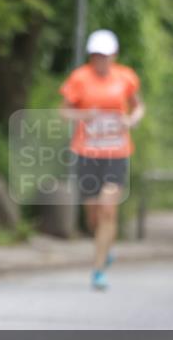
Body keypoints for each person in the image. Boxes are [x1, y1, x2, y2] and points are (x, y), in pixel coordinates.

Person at [60, 29, 145, 290]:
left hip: (116, 152)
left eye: (106, 56)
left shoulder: (126, 77)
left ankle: (97, 271)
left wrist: (132, 119)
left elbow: (138, 105)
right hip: (87, 152)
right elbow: (64, 112)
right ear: (91, 56)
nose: (101, 60)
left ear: (114, 56)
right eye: (97, 55)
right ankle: (103, 245)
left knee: (109, 209)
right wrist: (84, 115)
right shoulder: (79, 78)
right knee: (94, 215)